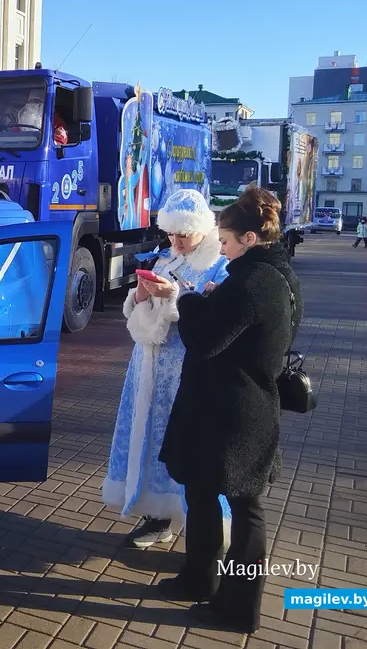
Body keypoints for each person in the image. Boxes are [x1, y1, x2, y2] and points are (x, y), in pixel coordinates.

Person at [151, 185, 302, 634]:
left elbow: (206, 340)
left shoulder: (252, 282)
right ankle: (199, 579)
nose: (221, 243)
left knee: (244, 506)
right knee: (202, 492)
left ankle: (238, 607)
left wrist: (189, 299)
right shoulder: (276, 276)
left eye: (227, 237)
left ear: (249, 239)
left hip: (233, 412)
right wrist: (216, 297)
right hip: (235, 405)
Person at [104, 189, 231, 548]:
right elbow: (137, 315)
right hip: (149, 367)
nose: (177, 241)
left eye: (184, 234)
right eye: (172, 233)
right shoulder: (166, 260)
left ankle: (207, 533)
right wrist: (141, 297)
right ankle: (157, 516)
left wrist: (176, 298)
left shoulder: (219, 265)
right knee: (151, 440)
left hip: (188, 372)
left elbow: (216, 321)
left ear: (203, 229)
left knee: (190, 448)